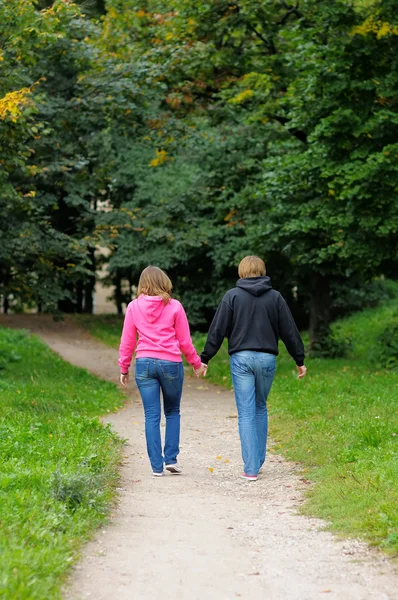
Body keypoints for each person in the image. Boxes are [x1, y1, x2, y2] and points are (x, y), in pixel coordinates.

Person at [200, 256, 307, 481]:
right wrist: (299, 359)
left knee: (246, 412)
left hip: (241, 359)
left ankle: (251, 469)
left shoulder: (232, 296)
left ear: (241, 272)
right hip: (267, 359)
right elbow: (289, 330)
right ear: (262, 271)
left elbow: (217, 329)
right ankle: (258, 460)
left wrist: (205, 357)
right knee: (260, 407)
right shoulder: (275, 297)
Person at [118, 266, 207, 477]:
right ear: (164, 282)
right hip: (170, 364)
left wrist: (124, 367)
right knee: (172, 411)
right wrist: (196, 363)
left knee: (151, 415)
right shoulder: (175, 306)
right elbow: (184, 341)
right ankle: (171, 459)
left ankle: (156, 467)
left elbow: (128, 341)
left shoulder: (133, 307)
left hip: (144, 363)